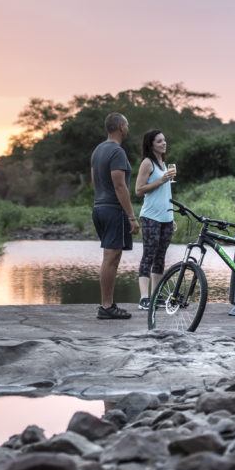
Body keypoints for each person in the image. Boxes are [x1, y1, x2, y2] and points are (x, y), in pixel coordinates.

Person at [91, 112, 139, 320]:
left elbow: (94, 180)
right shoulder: (117, 152)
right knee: (111, 258)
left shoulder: (98, 150)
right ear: (120, 126)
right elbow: (120, 185)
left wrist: (102, 199)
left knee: (109, 257)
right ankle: (107, 306)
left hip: (99, 206)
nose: (128, 128)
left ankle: (107, 304)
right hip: (113, 209)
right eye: (126, 124)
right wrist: (131, 216)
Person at [135, 129, 176, 309]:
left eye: (164, 140)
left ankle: (155, 296)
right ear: (151, 144)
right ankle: (144, 298)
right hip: (151, 216)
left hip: (166, 217)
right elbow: (138, 190)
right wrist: (161, 180)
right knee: (149, 256)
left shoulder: (163, 163)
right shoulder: (147, 163)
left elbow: (166, 193)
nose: (163, 143)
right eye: (159, 141)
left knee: (160, 258)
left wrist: (171, 215)